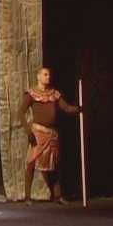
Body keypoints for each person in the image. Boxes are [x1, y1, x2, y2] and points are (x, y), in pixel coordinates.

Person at [19, 67, 80, 205]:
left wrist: (78, 109)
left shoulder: (54, 94)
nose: (48, 77)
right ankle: (27, 197)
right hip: (38, 132)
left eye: (49, 75)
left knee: (55, 165)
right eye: (45, 75)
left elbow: (66, 108)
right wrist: (28, 132)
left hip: (52, 134)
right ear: (38, 77)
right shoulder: (31, 94)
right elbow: (21, 112)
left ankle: (57, 196)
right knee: (31, 163)